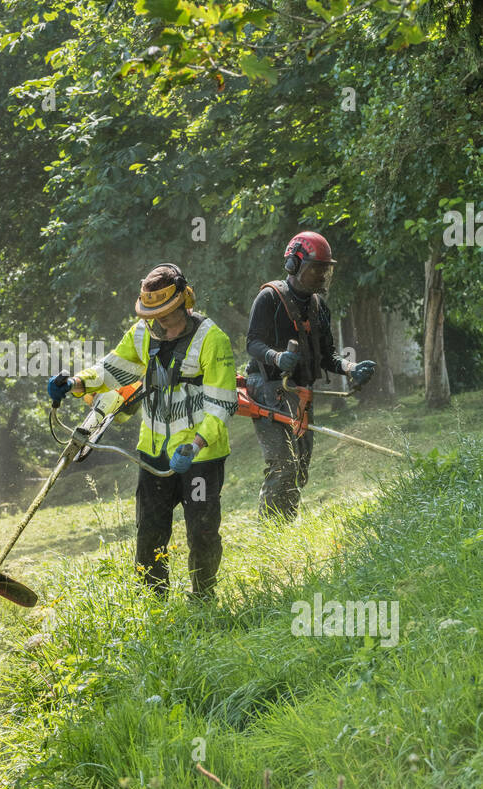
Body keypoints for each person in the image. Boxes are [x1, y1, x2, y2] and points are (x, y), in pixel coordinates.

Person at [47, 263, 237, 598]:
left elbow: (222, 403)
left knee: (202, 531)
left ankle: (203, 598)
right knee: (149, 532)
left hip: (199, 459)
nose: (157, 320)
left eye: (164, 312)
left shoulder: (212, 340)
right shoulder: (141, 334)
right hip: (153, 456)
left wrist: (195, 444)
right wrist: (75, 382)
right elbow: (109, 370)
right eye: (151, 313)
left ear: (183, 302)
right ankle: (154, 599)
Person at [245, 231, 376, 520]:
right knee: (283, 465)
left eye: (325, 270)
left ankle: (285, 527)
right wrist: (277, 357)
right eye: (316, 268)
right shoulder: (269, 298)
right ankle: (269, 534)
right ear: (294, 265)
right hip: (268, 389)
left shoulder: (319, 307)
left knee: (300, 467)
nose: (321, 276)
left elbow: (328, 355)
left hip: (301, 394)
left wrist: (352, 368)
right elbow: (252, 343)